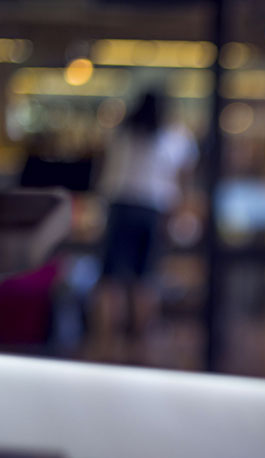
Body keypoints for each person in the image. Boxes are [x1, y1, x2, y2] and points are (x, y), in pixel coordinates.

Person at [92, 92, 198, 359]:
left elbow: (102, 169)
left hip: (119, 204)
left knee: (111, 279)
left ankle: (106, 343)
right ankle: (141, 346)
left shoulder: (120, 132)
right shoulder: (175, 136)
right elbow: (184, 178)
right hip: (152, 209)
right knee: (145, 278)